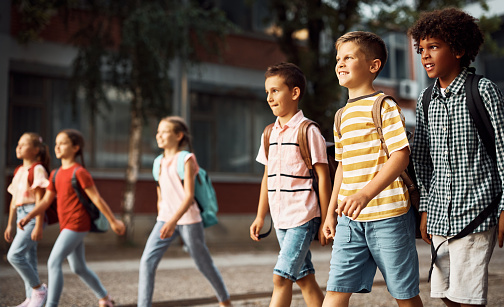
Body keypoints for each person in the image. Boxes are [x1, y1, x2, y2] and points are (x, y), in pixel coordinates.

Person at [409, 8, 504, 307]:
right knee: (445, 294)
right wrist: (425, 208)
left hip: (478, 211)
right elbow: (423, 161)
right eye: (421, 49)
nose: (425, 56)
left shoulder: (483, 91)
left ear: (459, 49)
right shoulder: (425, 101)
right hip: (440, 214)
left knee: (467, 297)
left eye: (434, 47)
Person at [321, 31, 423, 307]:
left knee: (404, 293)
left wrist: (365, 194)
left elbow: (400, 157)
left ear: (373, 66)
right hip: (349, 220)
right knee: (335, 291)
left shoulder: (384, 106)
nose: (340, 64)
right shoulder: (341, 115)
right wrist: (330, 214)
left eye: (349, 58)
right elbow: (341, 167)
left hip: (389, 215)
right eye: (338, 59)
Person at [249, 62, 331, 307]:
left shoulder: (308, 131)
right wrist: (260, 216)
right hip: (280, 218)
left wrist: (327, 219)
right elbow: (267, 177)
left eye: (275, 91)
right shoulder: (269, 134)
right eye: (267, 92)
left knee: (281, 278)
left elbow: (324, 177)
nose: (269, 98)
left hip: (303, 216)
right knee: (305, 279)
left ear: (294, 93)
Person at [18, 129, 126, 307]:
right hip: (66, 224)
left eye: (62, 143)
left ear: (75, 147)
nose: (57, 146)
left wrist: (114, 221)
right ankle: (105, 298)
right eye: (56, 143)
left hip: (77, 223)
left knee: (53, 261)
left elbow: (96, 199)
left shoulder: (79, 172)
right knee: (78, 267)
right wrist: (30, 215)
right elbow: (46, 201)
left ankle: (51, 304)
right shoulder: (55, 174)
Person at [138, 116, 231, 307]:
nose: (159, 135)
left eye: (164, 131)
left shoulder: (186, 159)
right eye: (158, 132)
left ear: (178, 135)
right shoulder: (158, 162)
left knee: (202, 263)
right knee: (147, 261)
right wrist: (163, 217)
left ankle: (225, 301)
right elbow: (160, 193)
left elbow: (188, 196)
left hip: (189, 220)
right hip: (164, 219)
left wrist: (173, 221)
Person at [4, 133, 50, 307]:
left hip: (33, 215)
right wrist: (9, 224)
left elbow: (40, 200)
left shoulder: (37, 169)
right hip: (21, 216)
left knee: (14, 255)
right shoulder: (19, 171)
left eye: (23, 144)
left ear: (36, 150)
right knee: (29, 258)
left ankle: (39, 289)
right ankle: (31, 299)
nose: (18, 147)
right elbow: (14, 202)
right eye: (18, 144)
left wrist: (38, 224)